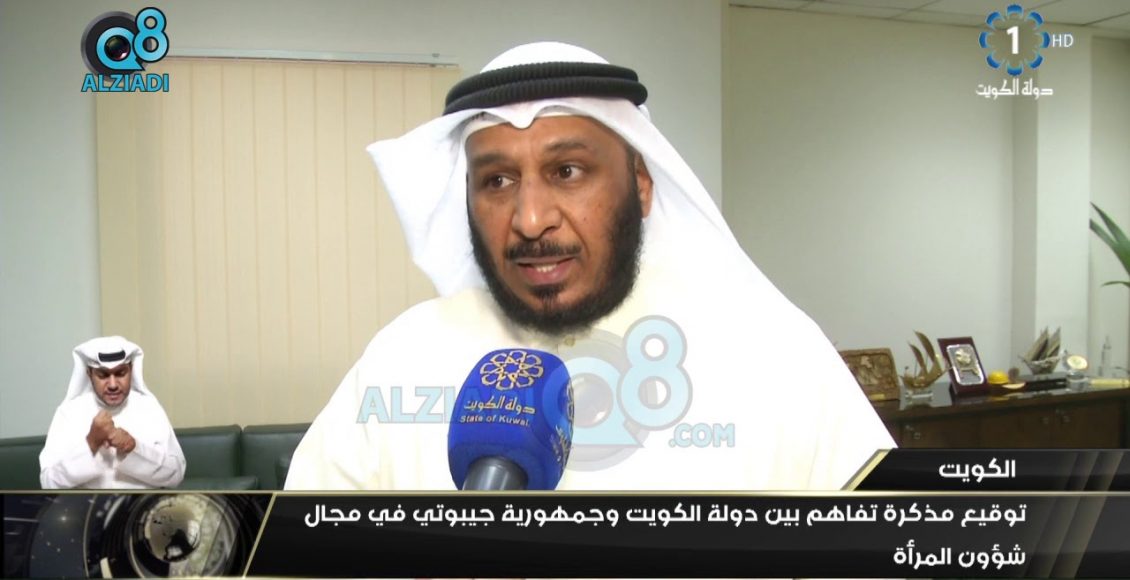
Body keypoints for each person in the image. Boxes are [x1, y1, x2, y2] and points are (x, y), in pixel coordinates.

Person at [285, 42, 894, 491]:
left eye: (567, 171)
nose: (530, 219)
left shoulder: (776, 354)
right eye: (497, 181)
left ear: (641, 183)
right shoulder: (401, 358)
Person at [39, 336, 186, 489]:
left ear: (131, 370)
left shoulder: (149, 408)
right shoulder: (69, 413)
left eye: (121, 373)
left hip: (142, 503)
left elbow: (176, 475)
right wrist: (91, 443)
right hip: (88, 503)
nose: (113, 385)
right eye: (103, 375)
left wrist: (133, 447)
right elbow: (49, 483)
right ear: (89, 374)